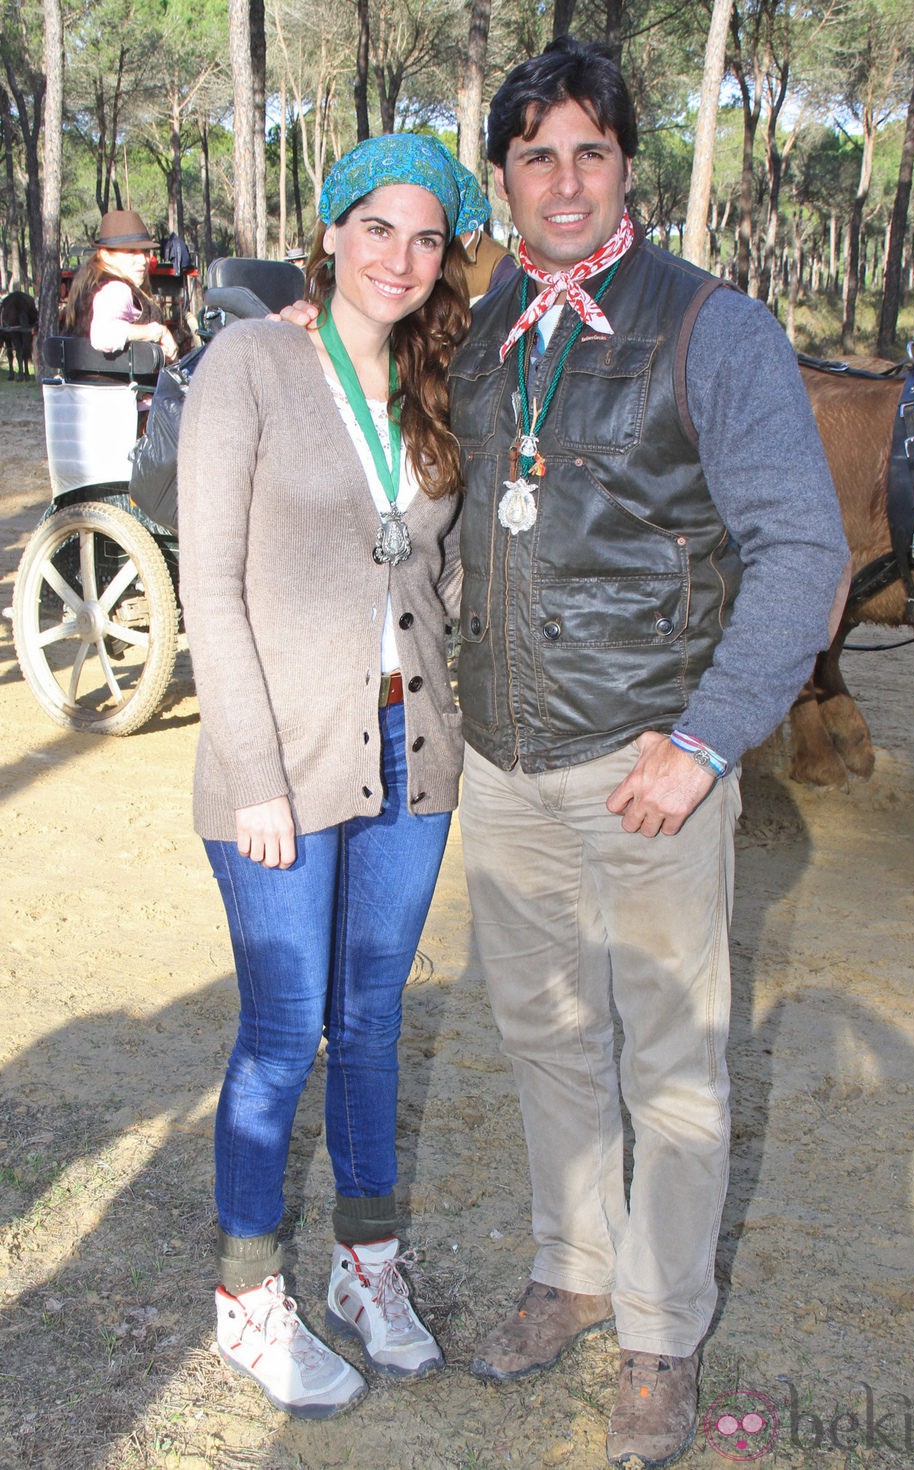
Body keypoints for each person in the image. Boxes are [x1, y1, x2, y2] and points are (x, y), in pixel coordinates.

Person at [446, 38, 851, 1469]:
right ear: (505, 175)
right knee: (548, 1043)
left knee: (674, 1064)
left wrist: (701, 738)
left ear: (628, 168)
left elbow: (807, 549)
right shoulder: (490, 326)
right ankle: (572, 1266)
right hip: (506, 768)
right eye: (536, 154)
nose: (564, 179)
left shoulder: (711, 328)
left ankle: (662, 1334)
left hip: (647, 768)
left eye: (590, 152)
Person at [177, 135, 489, 1421]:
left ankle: (367, 1271)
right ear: (330, 231)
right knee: (280, 1030)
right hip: (282, 771)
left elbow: (440, 572)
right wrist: (253, 773)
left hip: (412, 760)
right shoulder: (248, 363)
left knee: (371, 1025)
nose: (400, 260)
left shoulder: (437, 379)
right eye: (377, 229)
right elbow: (208, 580)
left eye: (426, 238)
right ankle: (248, 1297)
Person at [65, 209, 178, 362]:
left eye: (145, 251)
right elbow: (102, 335)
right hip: (121, 385)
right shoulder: (116, 289)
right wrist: (158, 332)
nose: (143, 260)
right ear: (105, 255)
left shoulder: (88, 287)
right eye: (131, 252)